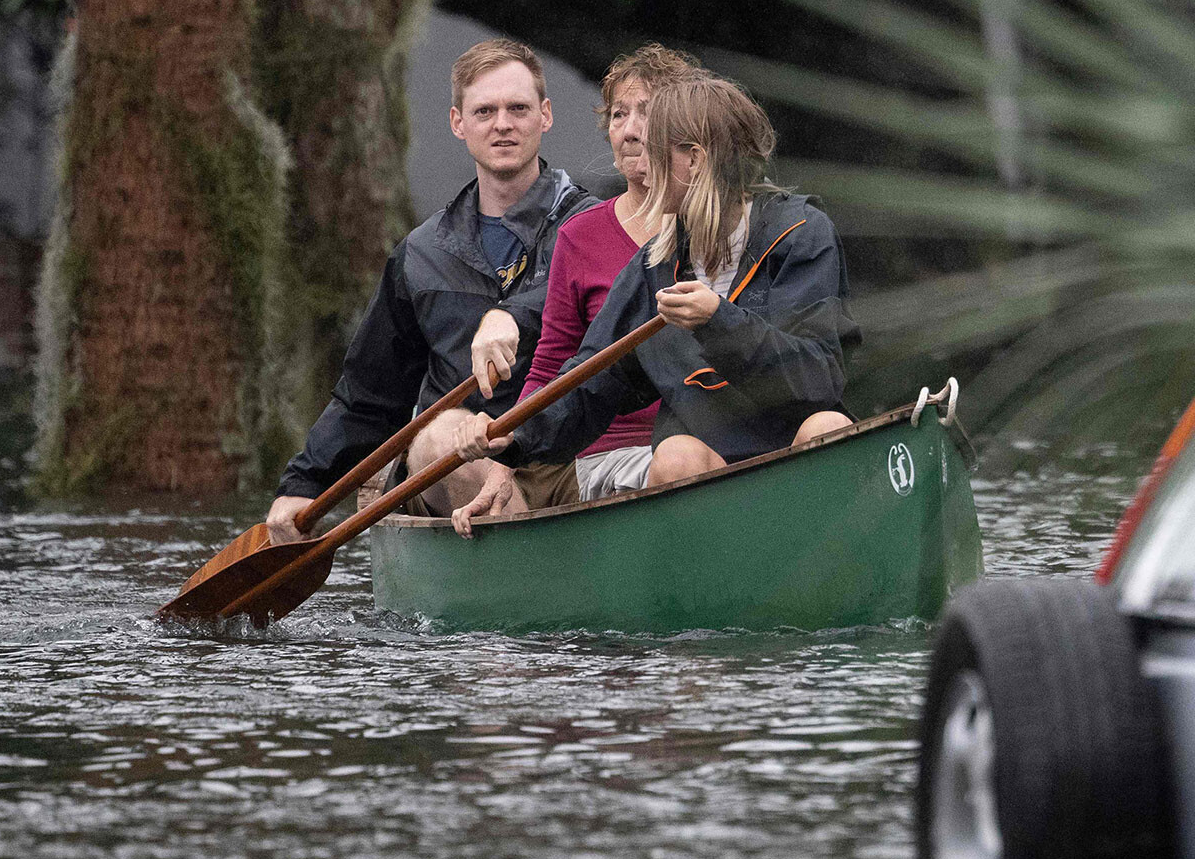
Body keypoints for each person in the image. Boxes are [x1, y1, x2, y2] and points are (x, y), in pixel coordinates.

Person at [445, 71, 854, 529]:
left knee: (828, 429)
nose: (639, 163)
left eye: (653, 151)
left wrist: (719, 320)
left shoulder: (801, 235)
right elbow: (588, 384)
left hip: (790, 453)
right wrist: (511, 437)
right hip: (706, 459)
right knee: (675, 455)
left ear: (694, 161)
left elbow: (821, 379)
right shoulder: (652, 267)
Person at [260, 38, 594, 541]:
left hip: (561, 459)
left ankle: (532, 564)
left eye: (518, 108)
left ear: (545, 116)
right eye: (485, 111)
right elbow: (369, 397)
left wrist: (512, 316)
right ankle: (527, 567)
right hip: (451, 470)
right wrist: (302, 483)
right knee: (439, 433)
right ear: (458, 123)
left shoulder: (593, 225)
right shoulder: (420, 255)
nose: (503, 123)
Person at [453, 42, 703, 521]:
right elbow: (549, 365)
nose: (629, 132)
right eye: (617, 115)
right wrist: (508, 465)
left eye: (646, 113)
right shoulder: (581, 235)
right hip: (612, 457)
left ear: (687, 130)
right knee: (682, 460)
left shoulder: (720, 225)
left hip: (718, 440)